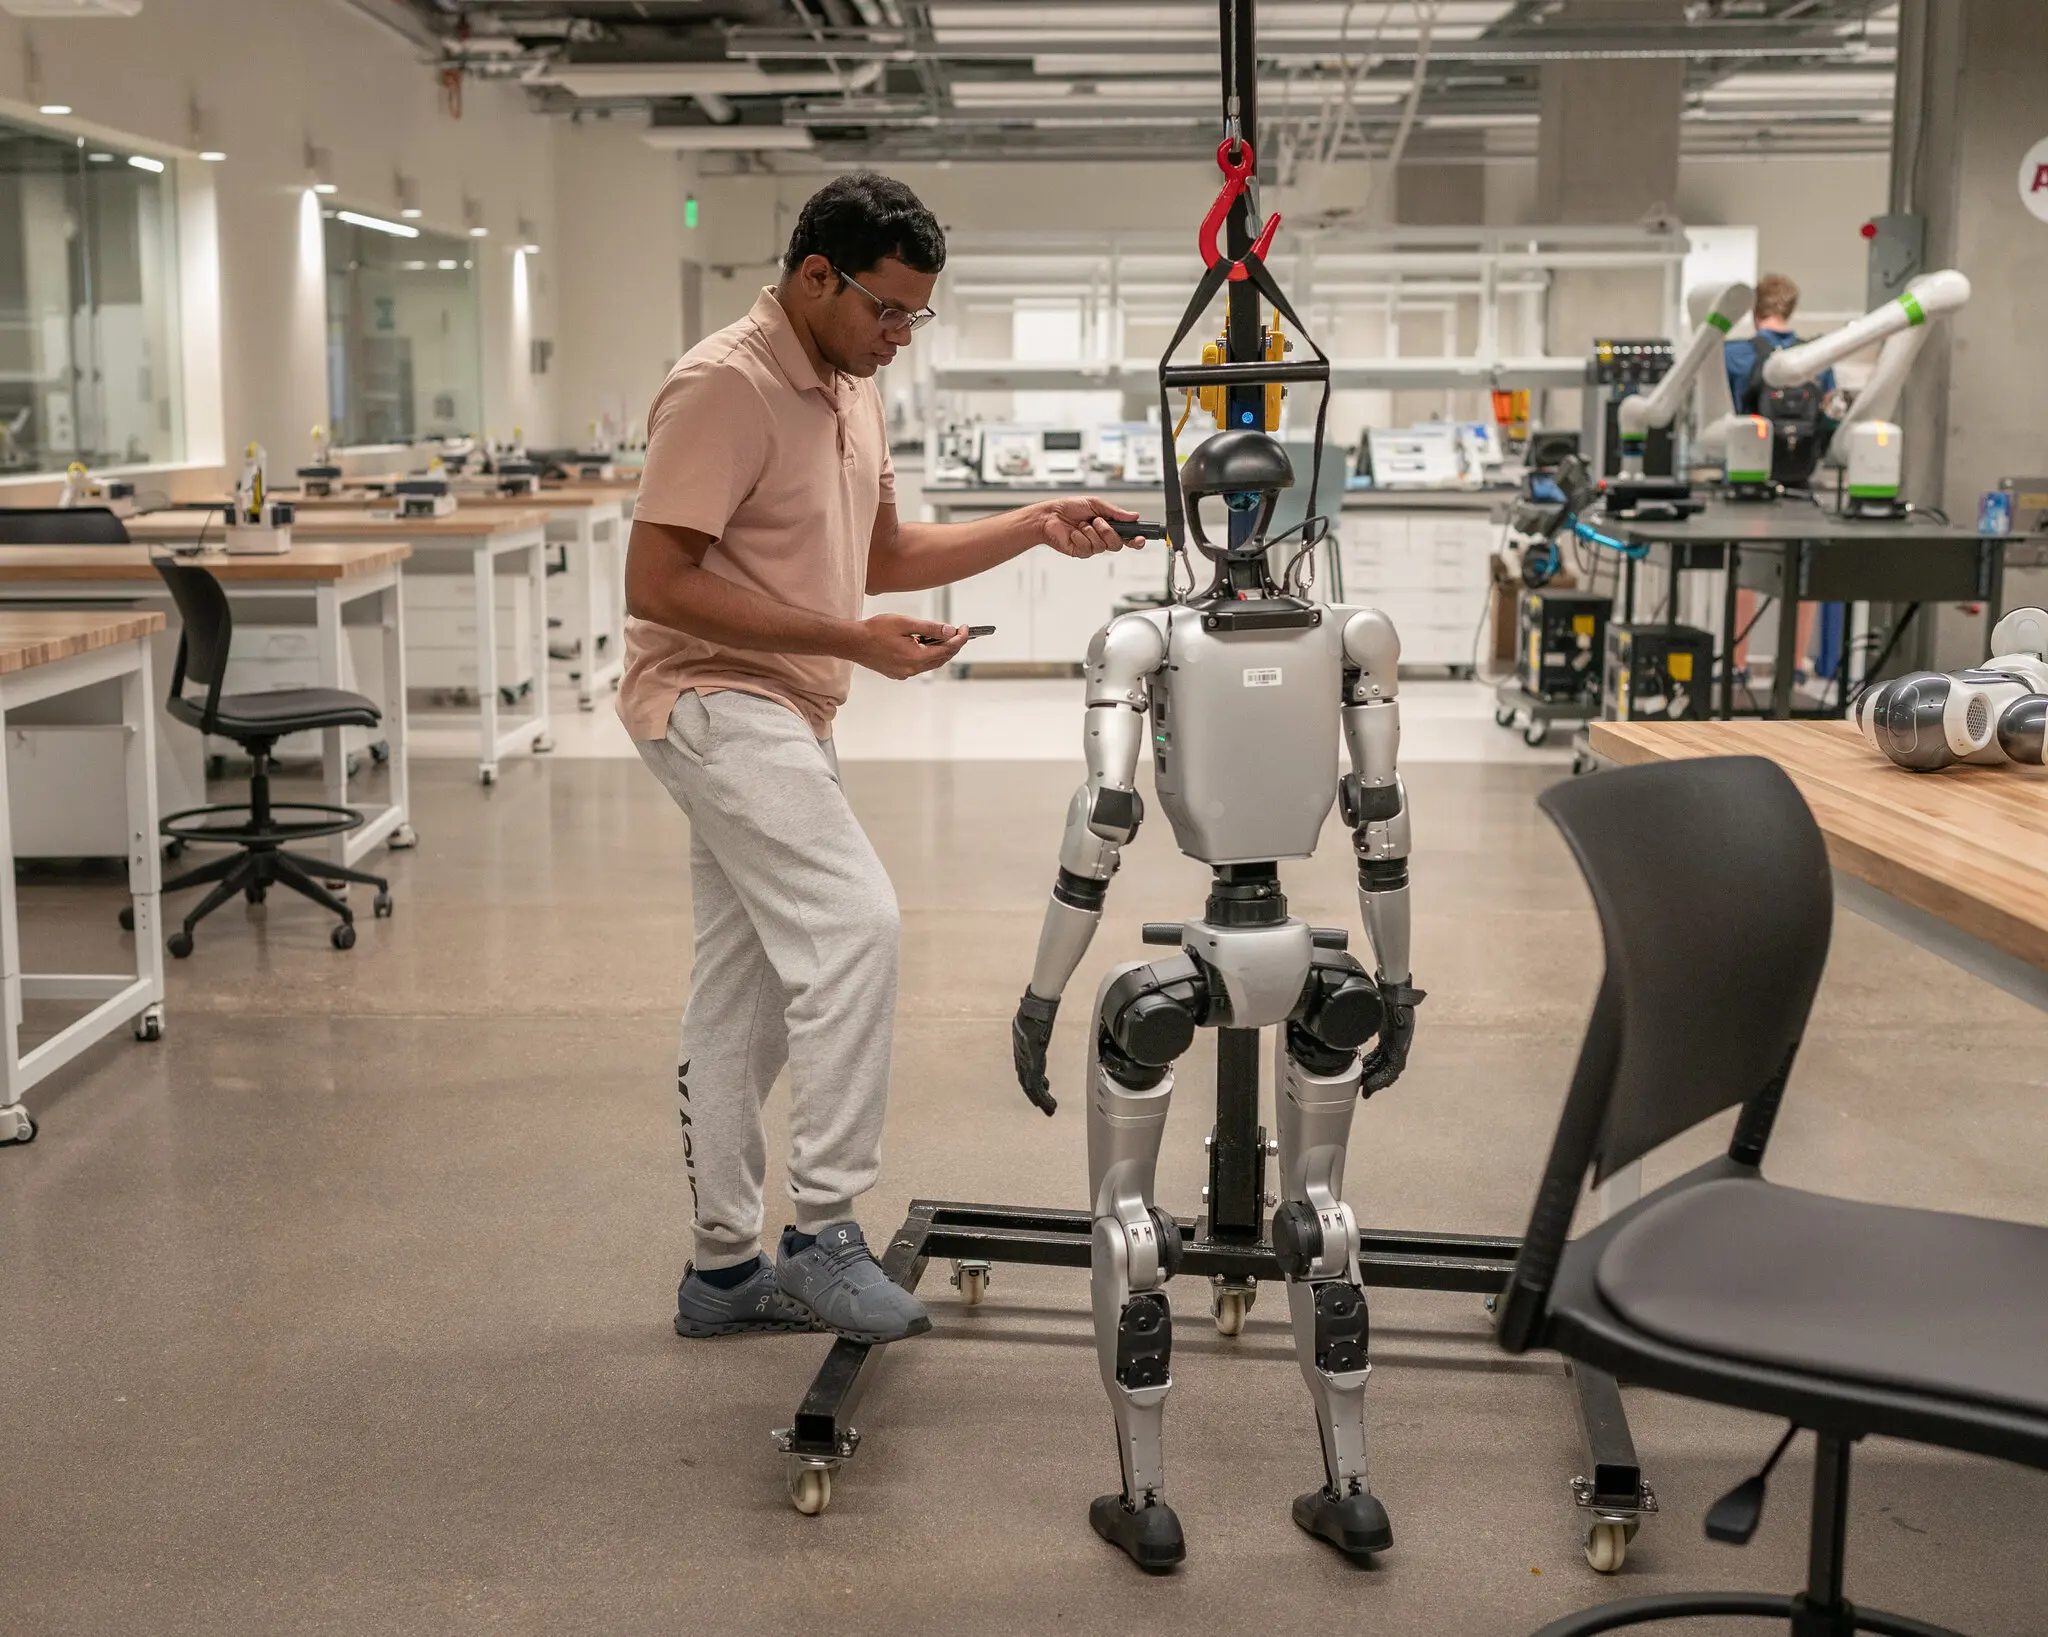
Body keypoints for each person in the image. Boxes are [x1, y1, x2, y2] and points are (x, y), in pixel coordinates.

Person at [621, 173, 1146, 1344]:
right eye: (887, 310)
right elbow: (657, 586)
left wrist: (1030, 524)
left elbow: (882, 550)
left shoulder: (850, 388)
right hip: (713, 698)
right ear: (817, 276)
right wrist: (844, 638)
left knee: (744, 991)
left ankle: (721, 1270)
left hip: (788, 702)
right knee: (856, 923)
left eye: (917, 314)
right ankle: (820, 1232)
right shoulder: (724, 386)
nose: (901, 335)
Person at [1723, 272, 1837, 688]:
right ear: (1791, 309)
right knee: (1801, 572)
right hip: (1802, 480)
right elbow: (1827, 416)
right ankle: (1792, 666)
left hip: (1748, 482)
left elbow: (1727, 412)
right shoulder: (1817, 355)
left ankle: (1737, 666)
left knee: (1744, 571)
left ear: (1756, 311)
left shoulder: (1736, 354)